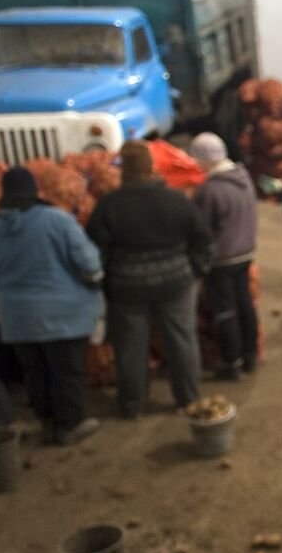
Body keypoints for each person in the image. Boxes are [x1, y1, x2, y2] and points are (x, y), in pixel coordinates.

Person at [0, 167, 103, 445]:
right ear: (35, 190)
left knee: (36, 372)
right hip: (62, 314)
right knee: (66, 371)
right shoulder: (57, 220)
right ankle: (71, 425)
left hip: (16, 318)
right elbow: (89, 263)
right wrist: (94, 284)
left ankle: (48, 423)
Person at [86, 140, 210, 418]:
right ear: (151, 168)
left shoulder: (109, 205)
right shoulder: (177, 200)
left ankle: (132, 406)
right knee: (182, 340)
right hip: (176, 283)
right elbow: (202, 237)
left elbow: (94, 247)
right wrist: (196, 269)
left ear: (124, 170)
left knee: (130, 347)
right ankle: (187, 399)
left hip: (127, 287)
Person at [190, 132, 260, 380]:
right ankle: (251, 355)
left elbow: (200, 229)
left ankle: (232, 363)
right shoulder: (243, 178)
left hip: (222, 258)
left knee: (225, 311)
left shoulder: (209, 190)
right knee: (245, 305)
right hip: (245, 252)